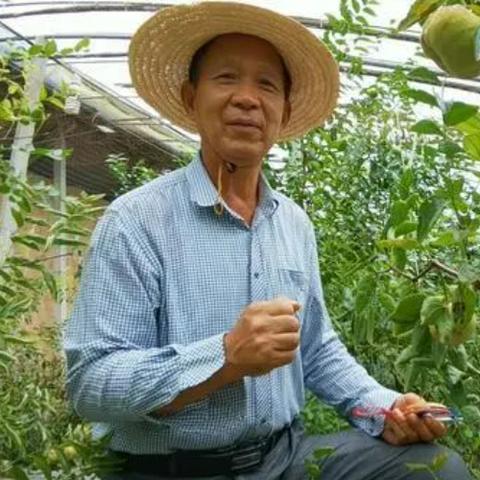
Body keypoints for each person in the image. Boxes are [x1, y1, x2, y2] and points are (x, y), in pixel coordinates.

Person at [64, 2, 471, 479]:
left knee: (435, 470)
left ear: (284, 112)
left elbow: (316, 349)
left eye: (266, 85)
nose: (246, 98)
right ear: (191, 97)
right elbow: (91, 383)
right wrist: (224, 357)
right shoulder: (137, 221)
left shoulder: (292, 224)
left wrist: (384, 408)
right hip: (175, 469)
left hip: (284, 458)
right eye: (226, 78)